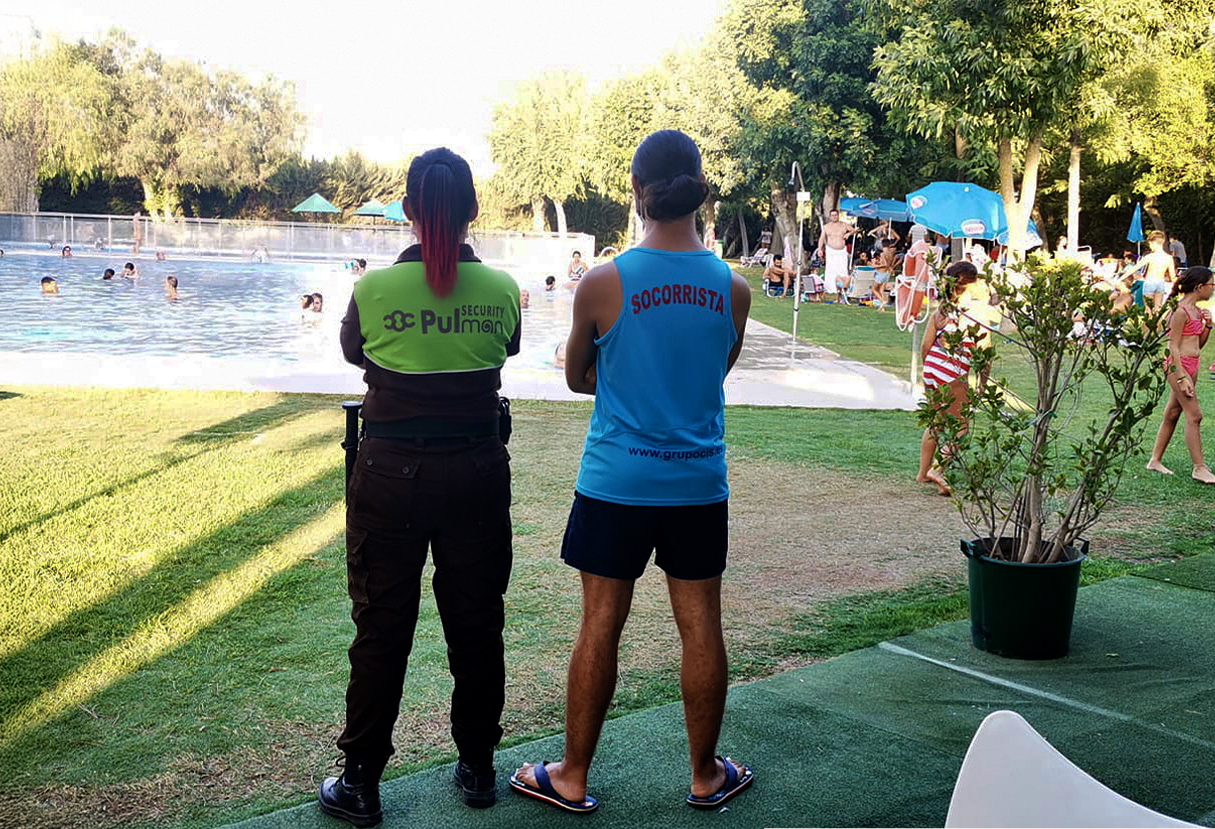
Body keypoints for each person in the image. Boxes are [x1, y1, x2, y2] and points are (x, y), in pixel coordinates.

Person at [510, 129, 753, 815]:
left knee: (599, 624)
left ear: (636, 190)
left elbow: (577, 377)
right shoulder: (732, 289)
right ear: (697, 187)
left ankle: (572, 775)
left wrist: (625, 383)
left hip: (616, 482)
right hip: (696, 485)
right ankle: (706, 775)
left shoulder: (603, 281)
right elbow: (713, 374)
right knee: (700, 623)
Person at [322, 147, 521, 827]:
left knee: (381, 627)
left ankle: (361, 782)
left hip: (388, 477)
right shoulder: (500, 288)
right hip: (475, 472)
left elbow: (356, 353)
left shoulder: (373, 290)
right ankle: (478, 767)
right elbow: (506, 350)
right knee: (476, 623)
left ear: (407, 211)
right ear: (472, 210)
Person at [917, 261, 986, 495]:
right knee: (961, 429)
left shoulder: (942, 309)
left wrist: (927, 372)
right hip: (952, 372)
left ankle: (922, 473)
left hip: (933, 366)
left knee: (936, 421)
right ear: (972, 283)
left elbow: (926, 345)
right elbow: (984, 354)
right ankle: (937, 470)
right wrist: (982, 383)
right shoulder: (974, 312)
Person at [1145, 267, 1215, 484]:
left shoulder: (1195, 311)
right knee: (1194, 416)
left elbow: (1197, 345)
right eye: (1212, 284)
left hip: (1192, 365)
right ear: (1199, 287)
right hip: (1178, 367)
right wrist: (1182, 376)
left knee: (1173, 413)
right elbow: (1172, 346)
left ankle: (1155, 460)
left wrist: (1208, 326)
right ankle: (1199, 468)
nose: (1213, 289)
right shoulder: (1180, 311)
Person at [1122, 231, 1175, 313]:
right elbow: (1173, 277)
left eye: (1150, 244)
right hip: (1161, 282)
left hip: (1150, 282)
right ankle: (1157, 325)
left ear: (1154, 243)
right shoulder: (1169, 258)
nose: (1150, 247)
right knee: (1158, 309)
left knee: (1148, 309)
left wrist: (1121, 278)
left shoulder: (1150, 257)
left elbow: (1135, 268)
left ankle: (1147, 325)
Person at [816, 208, 857, 297]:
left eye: (836, 215)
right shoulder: (826, 227)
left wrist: (848, 234)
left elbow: (854, 230)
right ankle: (831, 288)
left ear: (838, 215)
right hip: (831, 250)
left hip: (842, 251)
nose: (834, 217)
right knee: (831, 270)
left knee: (842, 269)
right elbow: (821, 239)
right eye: (832, 215)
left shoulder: (844, 225)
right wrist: (820, 249)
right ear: (830, 216)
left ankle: (843, 287)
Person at [872, 239, 897, 309]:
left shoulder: (883, 253)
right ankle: (882, 307)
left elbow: (884, 264)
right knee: (881, 290)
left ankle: (882, 301)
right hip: (887, 273)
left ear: (882, 245)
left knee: (874, 289)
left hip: (881, 273)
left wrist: (876, 266)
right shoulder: (890, 253)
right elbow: (889, 264)